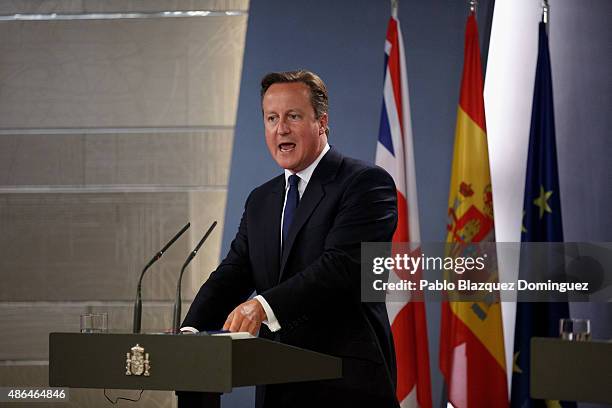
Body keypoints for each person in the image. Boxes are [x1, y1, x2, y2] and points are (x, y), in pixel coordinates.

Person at [182, 70, 400, 408]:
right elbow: (235, 272)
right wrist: (190, 334)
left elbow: (342, 268)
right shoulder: (261, 199)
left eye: (293, 116)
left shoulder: (365, 183)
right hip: (278, 385)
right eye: (271, 118)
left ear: (321, 122)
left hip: (347, 387)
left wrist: (263, 306)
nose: (280, 128)